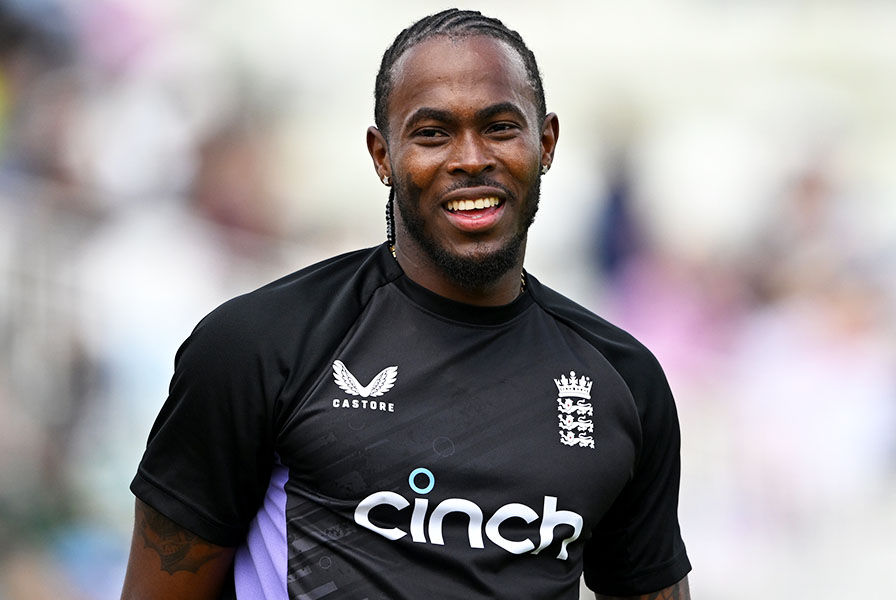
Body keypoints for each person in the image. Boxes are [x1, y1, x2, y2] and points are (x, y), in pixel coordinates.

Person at [120, 9, 691, 600]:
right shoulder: (259, 345)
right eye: (432, 133)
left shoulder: (625, 384)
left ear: (544, 143)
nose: (470, 159)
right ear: (382, 155)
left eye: (499, 127)